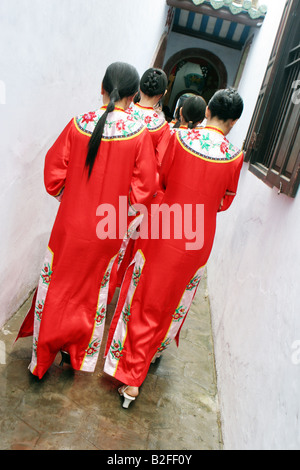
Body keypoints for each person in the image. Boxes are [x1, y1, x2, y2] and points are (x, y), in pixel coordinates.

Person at [103, 88, 244, 408]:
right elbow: (224, 202)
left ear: (207, 110)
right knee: (170, 302)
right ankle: (149, 357)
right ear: (234, 122)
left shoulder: (178, 137)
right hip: (197, 238)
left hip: (164, 227)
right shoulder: (235, 157)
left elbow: (157, 180)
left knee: (143, 296)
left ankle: (129, 373)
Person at [16, 62, 158, 379]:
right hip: (106, 232)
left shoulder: (79, 124)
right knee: (91, 292)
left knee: (56, 289)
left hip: (69, 226)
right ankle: (74, 354)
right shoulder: (139, 135)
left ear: (103, 89)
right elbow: (144, 190)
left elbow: (53, 176)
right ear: (134, 96)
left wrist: (73, 202)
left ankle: (40, 360)